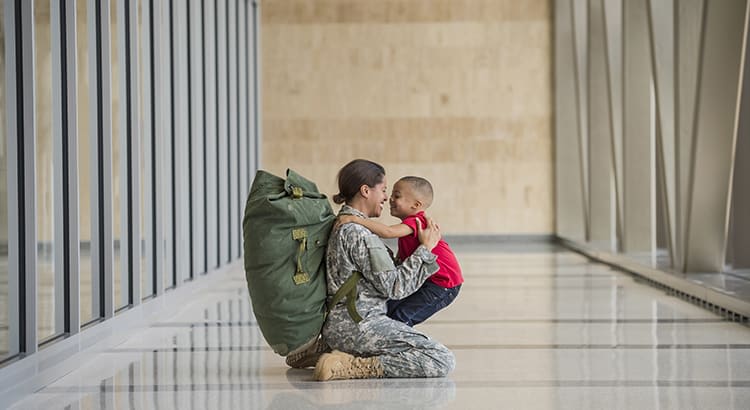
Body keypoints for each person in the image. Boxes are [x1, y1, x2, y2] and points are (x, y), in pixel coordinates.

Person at [312, 159, 455, 381]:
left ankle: (328, 352)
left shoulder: (345, 224)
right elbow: (396, 288)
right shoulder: (358, 233)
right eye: (385, 190)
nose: (387, 198)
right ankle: (353, 365)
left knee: (404, 329)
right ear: (365, 191)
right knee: (440, 358)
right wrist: (426, 248)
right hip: (359, 326)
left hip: (346, 323)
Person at [336, 176, 463, 326]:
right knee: (389, 310)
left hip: (443, 284)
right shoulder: (409, 226)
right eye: (391, 194)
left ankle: (399, 343)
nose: (390, 199)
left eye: (397, 196)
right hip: (429, 280)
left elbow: (388, 232)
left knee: (401, 317)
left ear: (416, 205)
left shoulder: (416, 222)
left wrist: (355, 220)